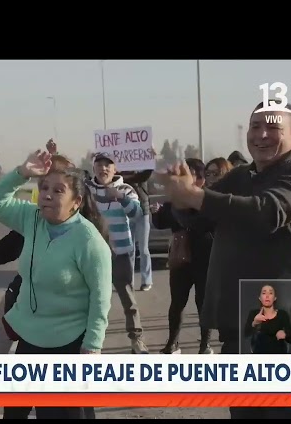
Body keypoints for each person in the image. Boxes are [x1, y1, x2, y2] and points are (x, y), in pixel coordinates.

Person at [157, 101, 291, 419]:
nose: (262, 135)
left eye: (273, 127)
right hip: (241, 329)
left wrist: (196, 196)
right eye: (255, 126)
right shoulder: (239, 177)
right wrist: (181, 198)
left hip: (290, 331)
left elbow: (267, 211)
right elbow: (196, 218)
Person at [0, 144, 113, 420]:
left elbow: (100, 299)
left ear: (76, 202)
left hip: (67, 345)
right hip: (30, 340)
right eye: (43, 188)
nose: (47, 196)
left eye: (57, 191)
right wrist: (22, 172)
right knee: (13, 414)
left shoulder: (89, 241)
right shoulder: (31, 219)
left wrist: (92, 346)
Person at [151, 158, 216, 354]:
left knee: (203, 303)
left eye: (192, 175)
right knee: (177, 303)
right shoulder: (175, 200)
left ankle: (205, 345)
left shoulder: (209, 200)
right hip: (181, 258)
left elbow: (206, 223)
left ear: (200, 179)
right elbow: (161, 223)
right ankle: (172, 343)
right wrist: (156, 213)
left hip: (205, 257)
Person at [87, 152, 148, 354]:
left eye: (108, 165)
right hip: (92, 256)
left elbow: (137, 213)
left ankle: (136, 340)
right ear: (93, 167)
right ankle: (89, 345)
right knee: (90, 301)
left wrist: (120, 197)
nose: (103, 168)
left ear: (115, 169)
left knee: (128, 300)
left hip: (120, 254)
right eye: (99, 164)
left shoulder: (125, 189)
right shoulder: (86, 190)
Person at [122, 168, 153, 291]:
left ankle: (147, 280)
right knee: (129, 249)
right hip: (127, 211)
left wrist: (151, 159)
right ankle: (129, 281)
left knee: (144, 248)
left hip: (142, 212)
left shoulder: (142, 169)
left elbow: (144, 175)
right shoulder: (119, 172)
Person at [244, 285, 291, 354]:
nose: (267, 296)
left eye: (270, 293)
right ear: (260, 298)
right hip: (259, 358)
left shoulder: (282, 314)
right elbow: (246, 334)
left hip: (279, 357)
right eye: (264, 293)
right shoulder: (254, 313)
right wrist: (254, 323)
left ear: (275, 298)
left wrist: (285, 335)